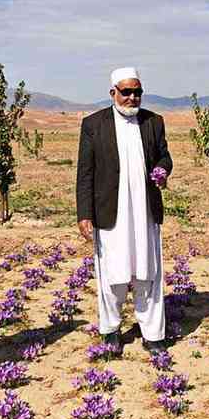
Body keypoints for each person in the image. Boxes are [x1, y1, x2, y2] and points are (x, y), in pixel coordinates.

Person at [76, 67, 172, 355]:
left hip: (146, 212)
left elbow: (164, 156)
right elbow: (85, 172)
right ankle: (110, 330)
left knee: (148, 272)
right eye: (126, 92)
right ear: (113, 93)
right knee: (112, 274)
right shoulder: (94, 124)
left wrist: (162, 169)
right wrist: (84, 213)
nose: (132, 97)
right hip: (109, 212)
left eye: (137, 92)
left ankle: (153, 334)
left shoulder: (154, 122)